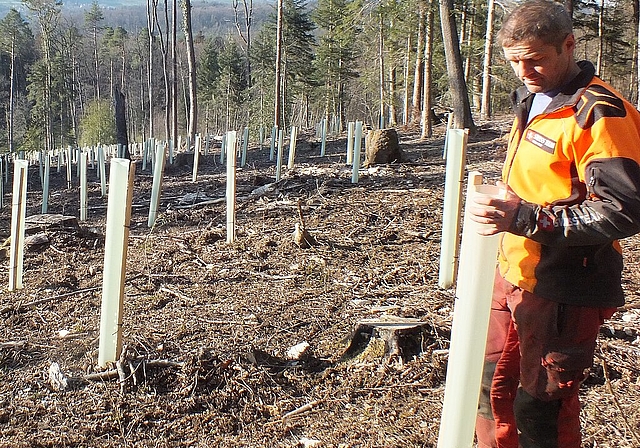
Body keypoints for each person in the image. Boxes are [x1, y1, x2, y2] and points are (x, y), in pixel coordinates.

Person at [468, 1, 640, 447]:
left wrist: (522, 217)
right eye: (513, 62)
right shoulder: (532, 97)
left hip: (565, 285)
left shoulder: (601, 113)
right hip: (511, 273)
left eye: (535, 59)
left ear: (569, 45)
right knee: (485, 388)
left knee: (541, 409)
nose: (524, 71)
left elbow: (621, 210)